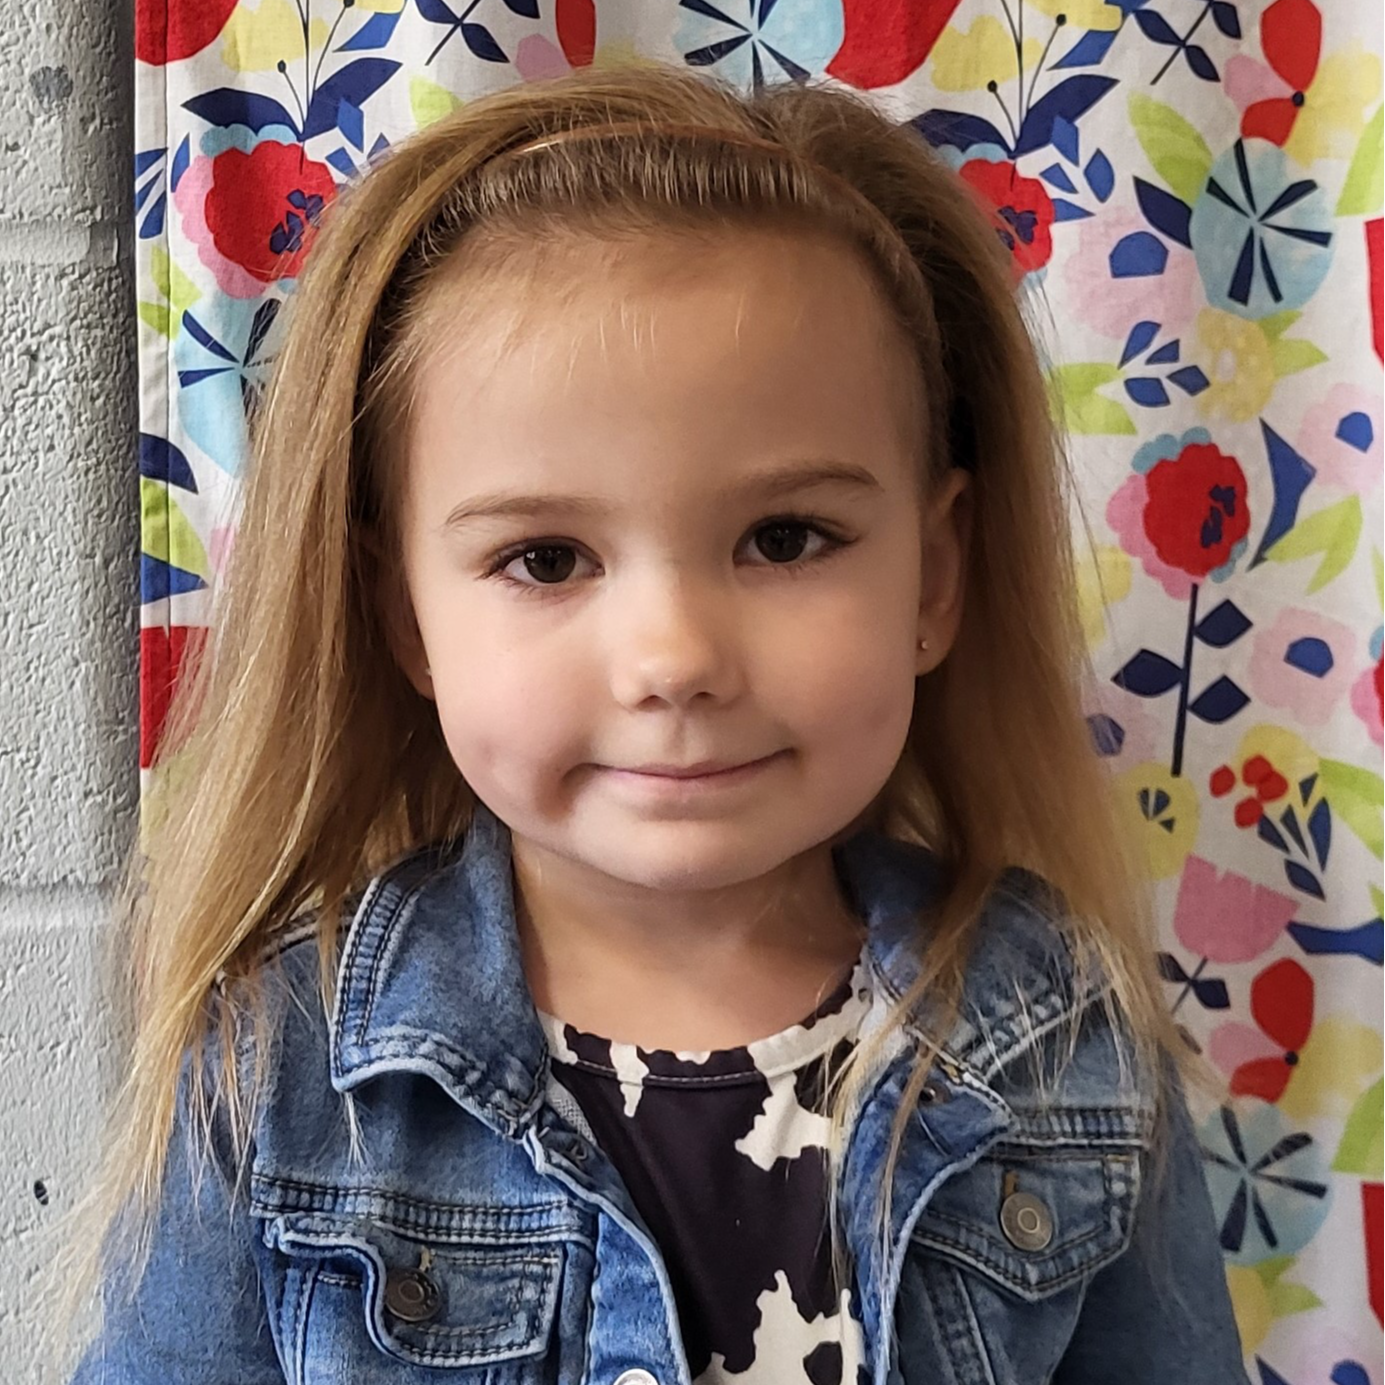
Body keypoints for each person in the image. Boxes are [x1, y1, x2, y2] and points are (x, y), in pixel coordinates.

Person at [52, 61, 1248, 1385]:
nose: (673, 659)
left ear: (938, 574)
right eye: (548, 560)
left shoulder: (1063, 1036)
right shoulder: (279, 1074)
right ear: (405, 617)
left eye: (786, 538)